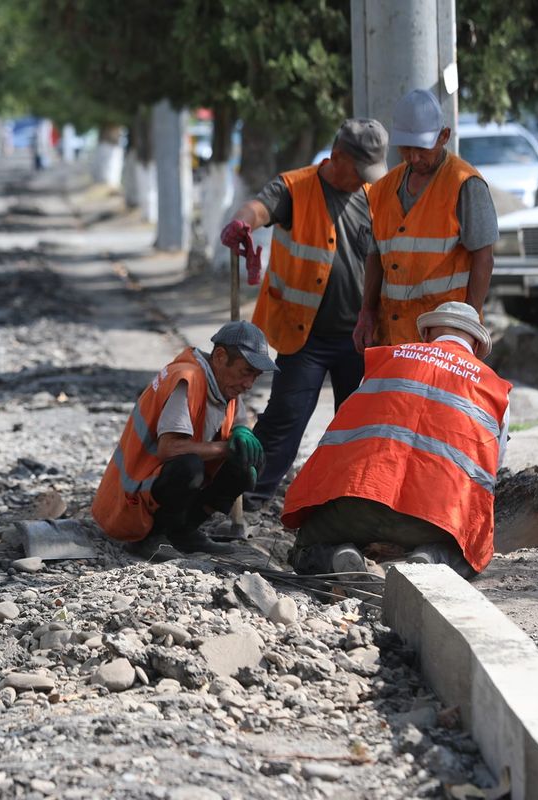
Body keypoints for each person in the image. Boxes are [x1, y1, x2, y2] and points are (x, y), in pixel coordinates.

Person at [220, 119, 389, 512]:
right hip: (306, 336)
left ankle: (351, 503)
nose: (365, 181)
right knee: (285, 420)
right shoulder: (295, 188)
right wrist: (242, 222)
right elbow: (260, 206)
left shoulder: (376, 195)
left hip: (361, 336)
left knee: (359, 427)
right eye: (360, 171)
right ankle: (243, 498)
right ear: (338, 157)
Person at [281, 301, 511, 579]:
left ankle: (336, 556)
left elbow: (348, 434)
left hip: (359, 503)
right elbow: (490, 472)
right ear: (475, 347)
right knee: (471, 555)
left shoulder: (383, 360)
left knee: (305, 547)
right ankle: (431, 557)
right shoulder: (495, 388)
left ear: (426, 336)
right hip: (435, 518)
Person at [92, 321, 276, 560]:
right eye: (246, 372)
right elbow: (170, 449)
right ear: (220, 356)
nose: (249, 384)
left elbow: (239, 427)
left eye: (256, 376)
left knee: (248, 461)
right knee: (188, 466)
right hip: (128, 502)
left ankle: (183, 532)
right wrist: (225, 448)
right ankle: (150, 539)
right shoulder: (187, 379)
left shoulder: (225, 385)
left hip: (152, 489)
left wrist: (243, 435)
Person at [353, 89, 498, 351]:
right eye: (406, 149)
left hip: (445, 336)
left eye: (421, 149)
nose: (414, 158)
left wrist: (470, 325)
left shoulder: (465, 184)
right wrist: (367, 313)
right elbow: (375, 256)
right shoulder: (383, 189)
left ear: (444, 137)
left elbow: (483, 259)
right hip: (393, 335)